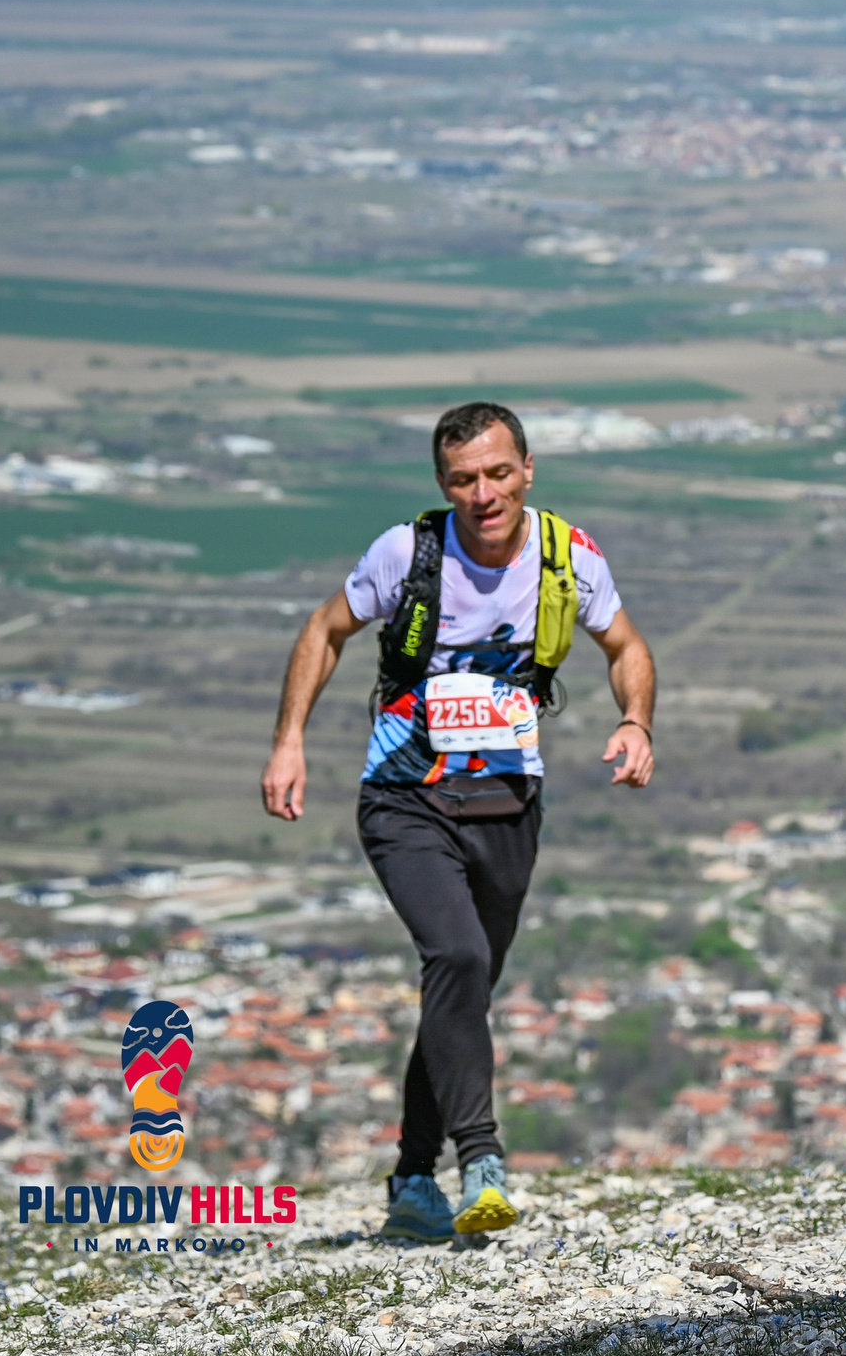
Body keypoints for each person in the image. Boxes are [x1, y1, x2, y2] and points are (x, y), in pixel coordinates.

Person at [260, 402, 656, 1245]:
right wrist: (289, 739)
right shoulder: (407, 553)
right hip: (404, 797)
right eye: (464, 479)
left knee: (463, 990)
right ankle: (481, 1156)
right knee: (458, 955)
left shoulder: (567, 556)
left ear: (528, 469)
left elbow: (627, 647)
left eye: (498, 473)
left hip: (508, 803)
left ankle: (411, 1177)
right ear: (445, 485)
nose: (484, 493)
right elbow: (326, 629)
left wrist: (636, 722)